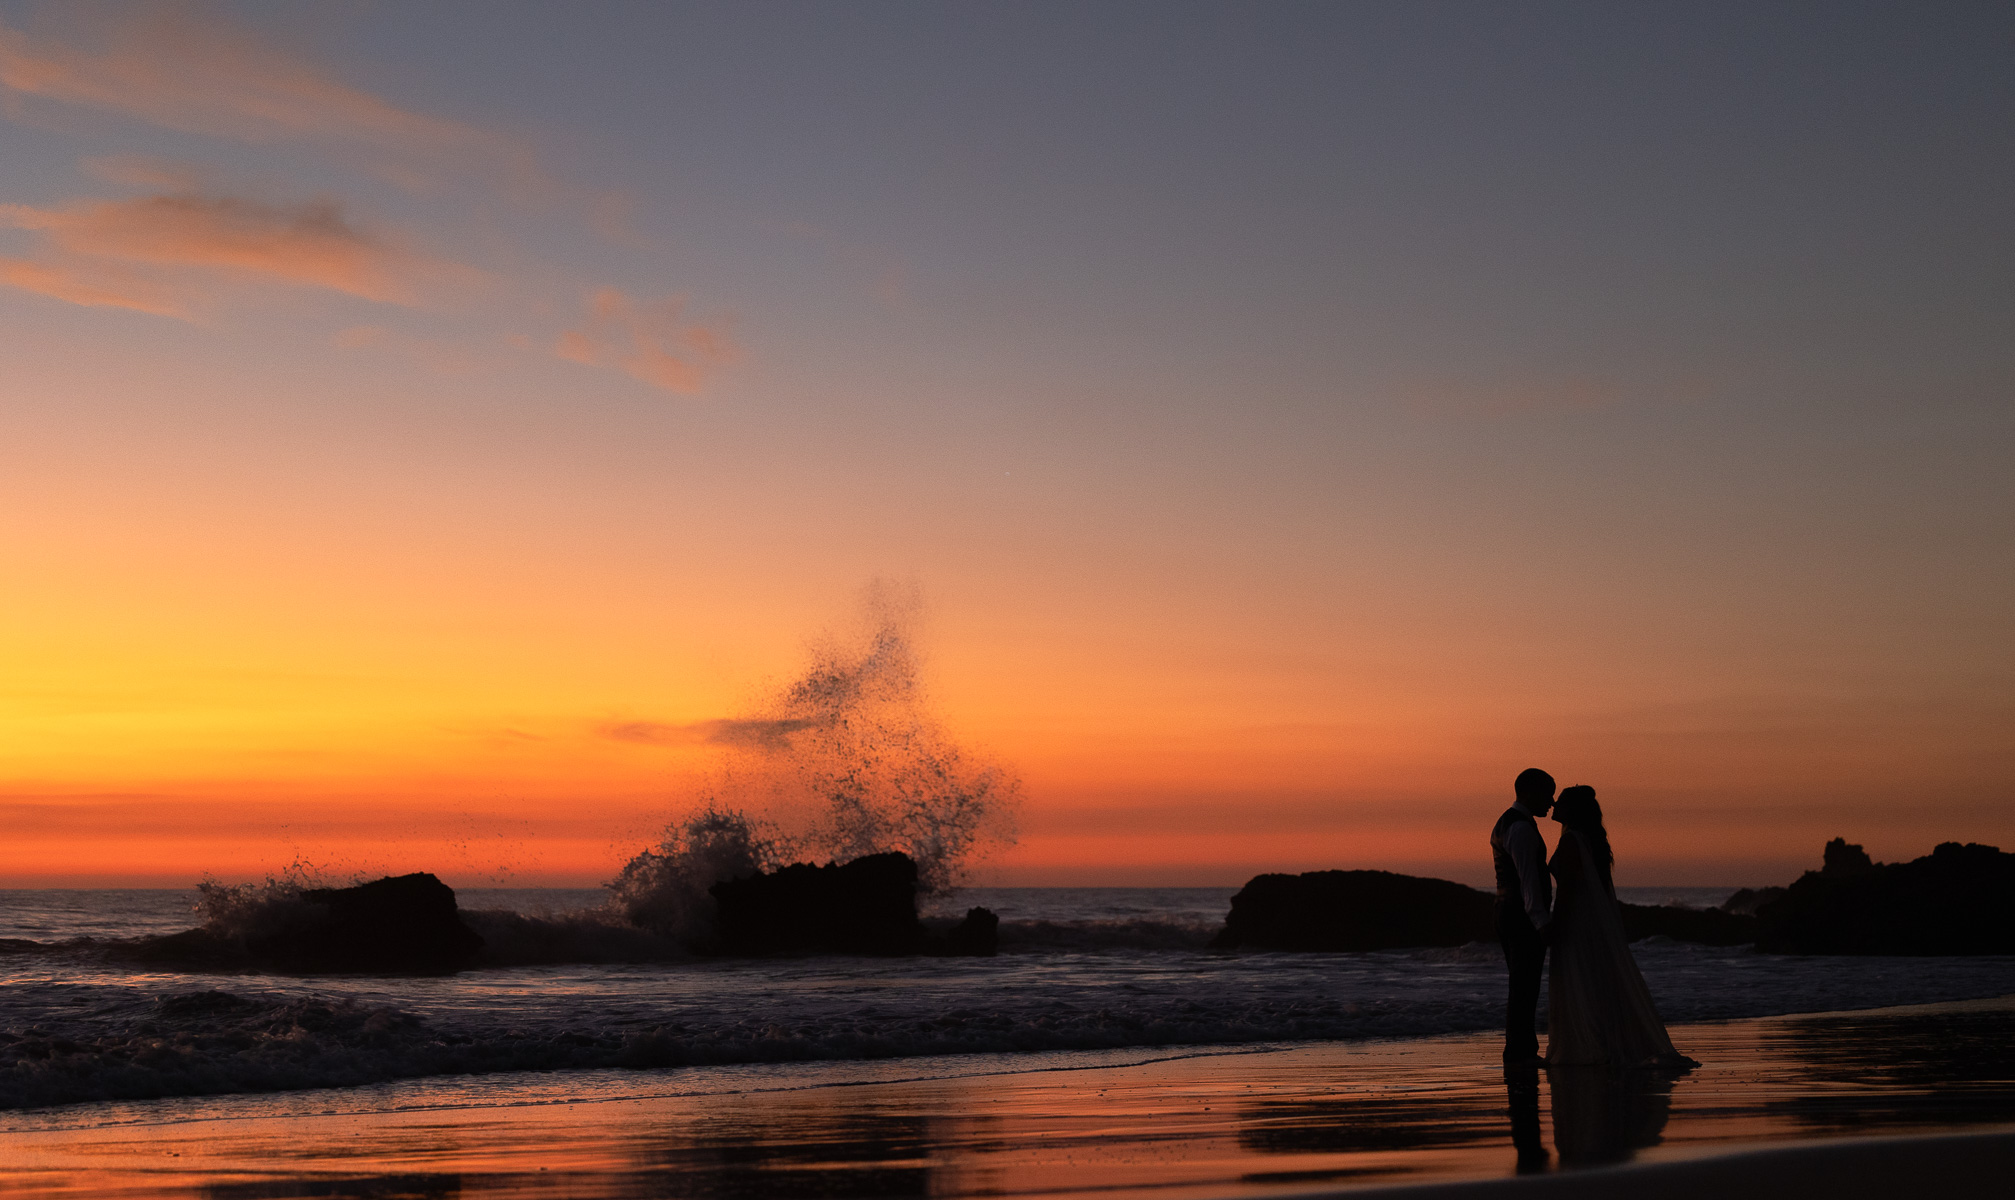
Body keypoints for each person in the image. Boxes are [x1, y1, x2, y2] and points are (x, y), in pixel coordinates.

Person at [1544, 785, 1698, 1068]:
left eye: (1561, 801)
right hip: (1590, 921)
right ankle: (1601, 1042)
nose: (1554, 804)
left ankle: (1589, 1046)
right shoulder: (1590, 840)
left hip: (1576, 921)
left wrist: (1556, 925)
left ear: (1572, 810)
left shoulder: (1571, 842)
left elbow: (1567, 890)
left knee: (1580, 981)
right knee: (1593, 982)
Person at [1490, 768, 1556, 1066]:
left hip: (1508, 914)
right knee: (1524, 988)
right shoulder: (1521, 829)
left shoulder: (1507, 823)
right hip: (1521, 919)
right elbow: (1529, 881)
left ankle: (1520, 1051)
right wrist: (1542, 923)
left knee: (1522, 986)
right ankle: (1520, 1053)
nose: (1551, 802)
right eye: (1547, 793)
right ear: (1529, 792)